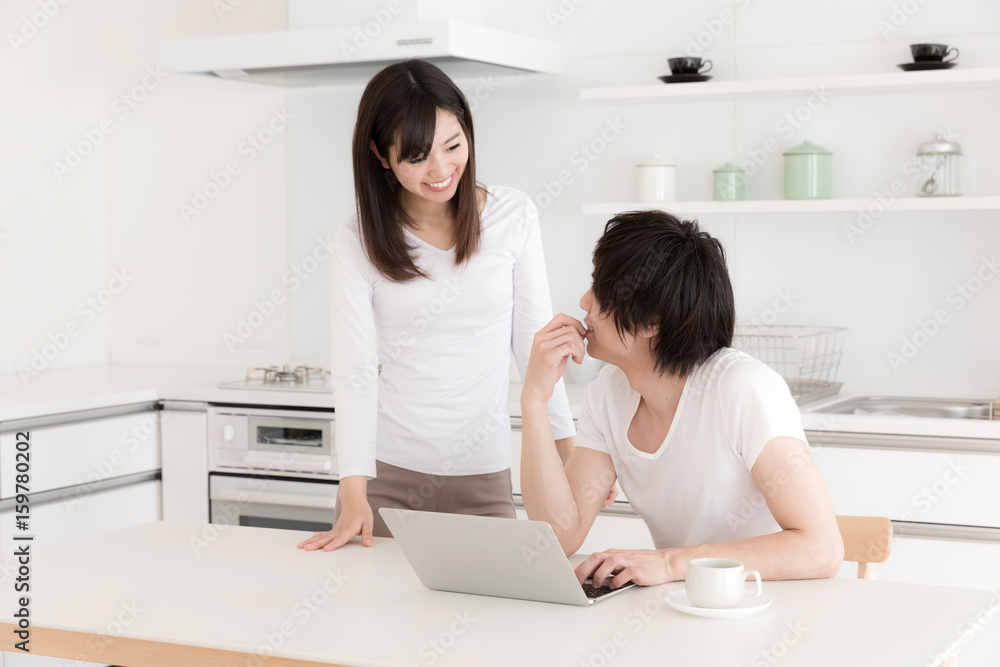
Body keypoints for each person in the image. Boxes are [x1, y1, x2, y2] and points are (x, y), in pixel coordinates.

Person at [297, 59, 577, 551]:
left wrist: (570, 461)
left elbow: (538, 351)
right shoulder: (355, 241)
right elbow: (356, 370)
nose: (441, 169)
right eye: (417, 156)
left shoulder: (513, 216)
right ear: (380, 156)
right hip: (385, 481)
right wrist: (353, 488)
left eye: (453, 146)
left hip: (483, 478)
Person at [519, 209, 844, 588]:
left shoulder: (743, 388)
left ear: (651, 321)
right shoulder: (609, 393)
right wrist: (534, 402)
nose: (584, 300)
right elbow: (560, 534)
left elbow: (822, 548)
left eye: (601, 288)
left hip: (768, 608)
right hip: (686, 609)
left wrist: (671, 563)